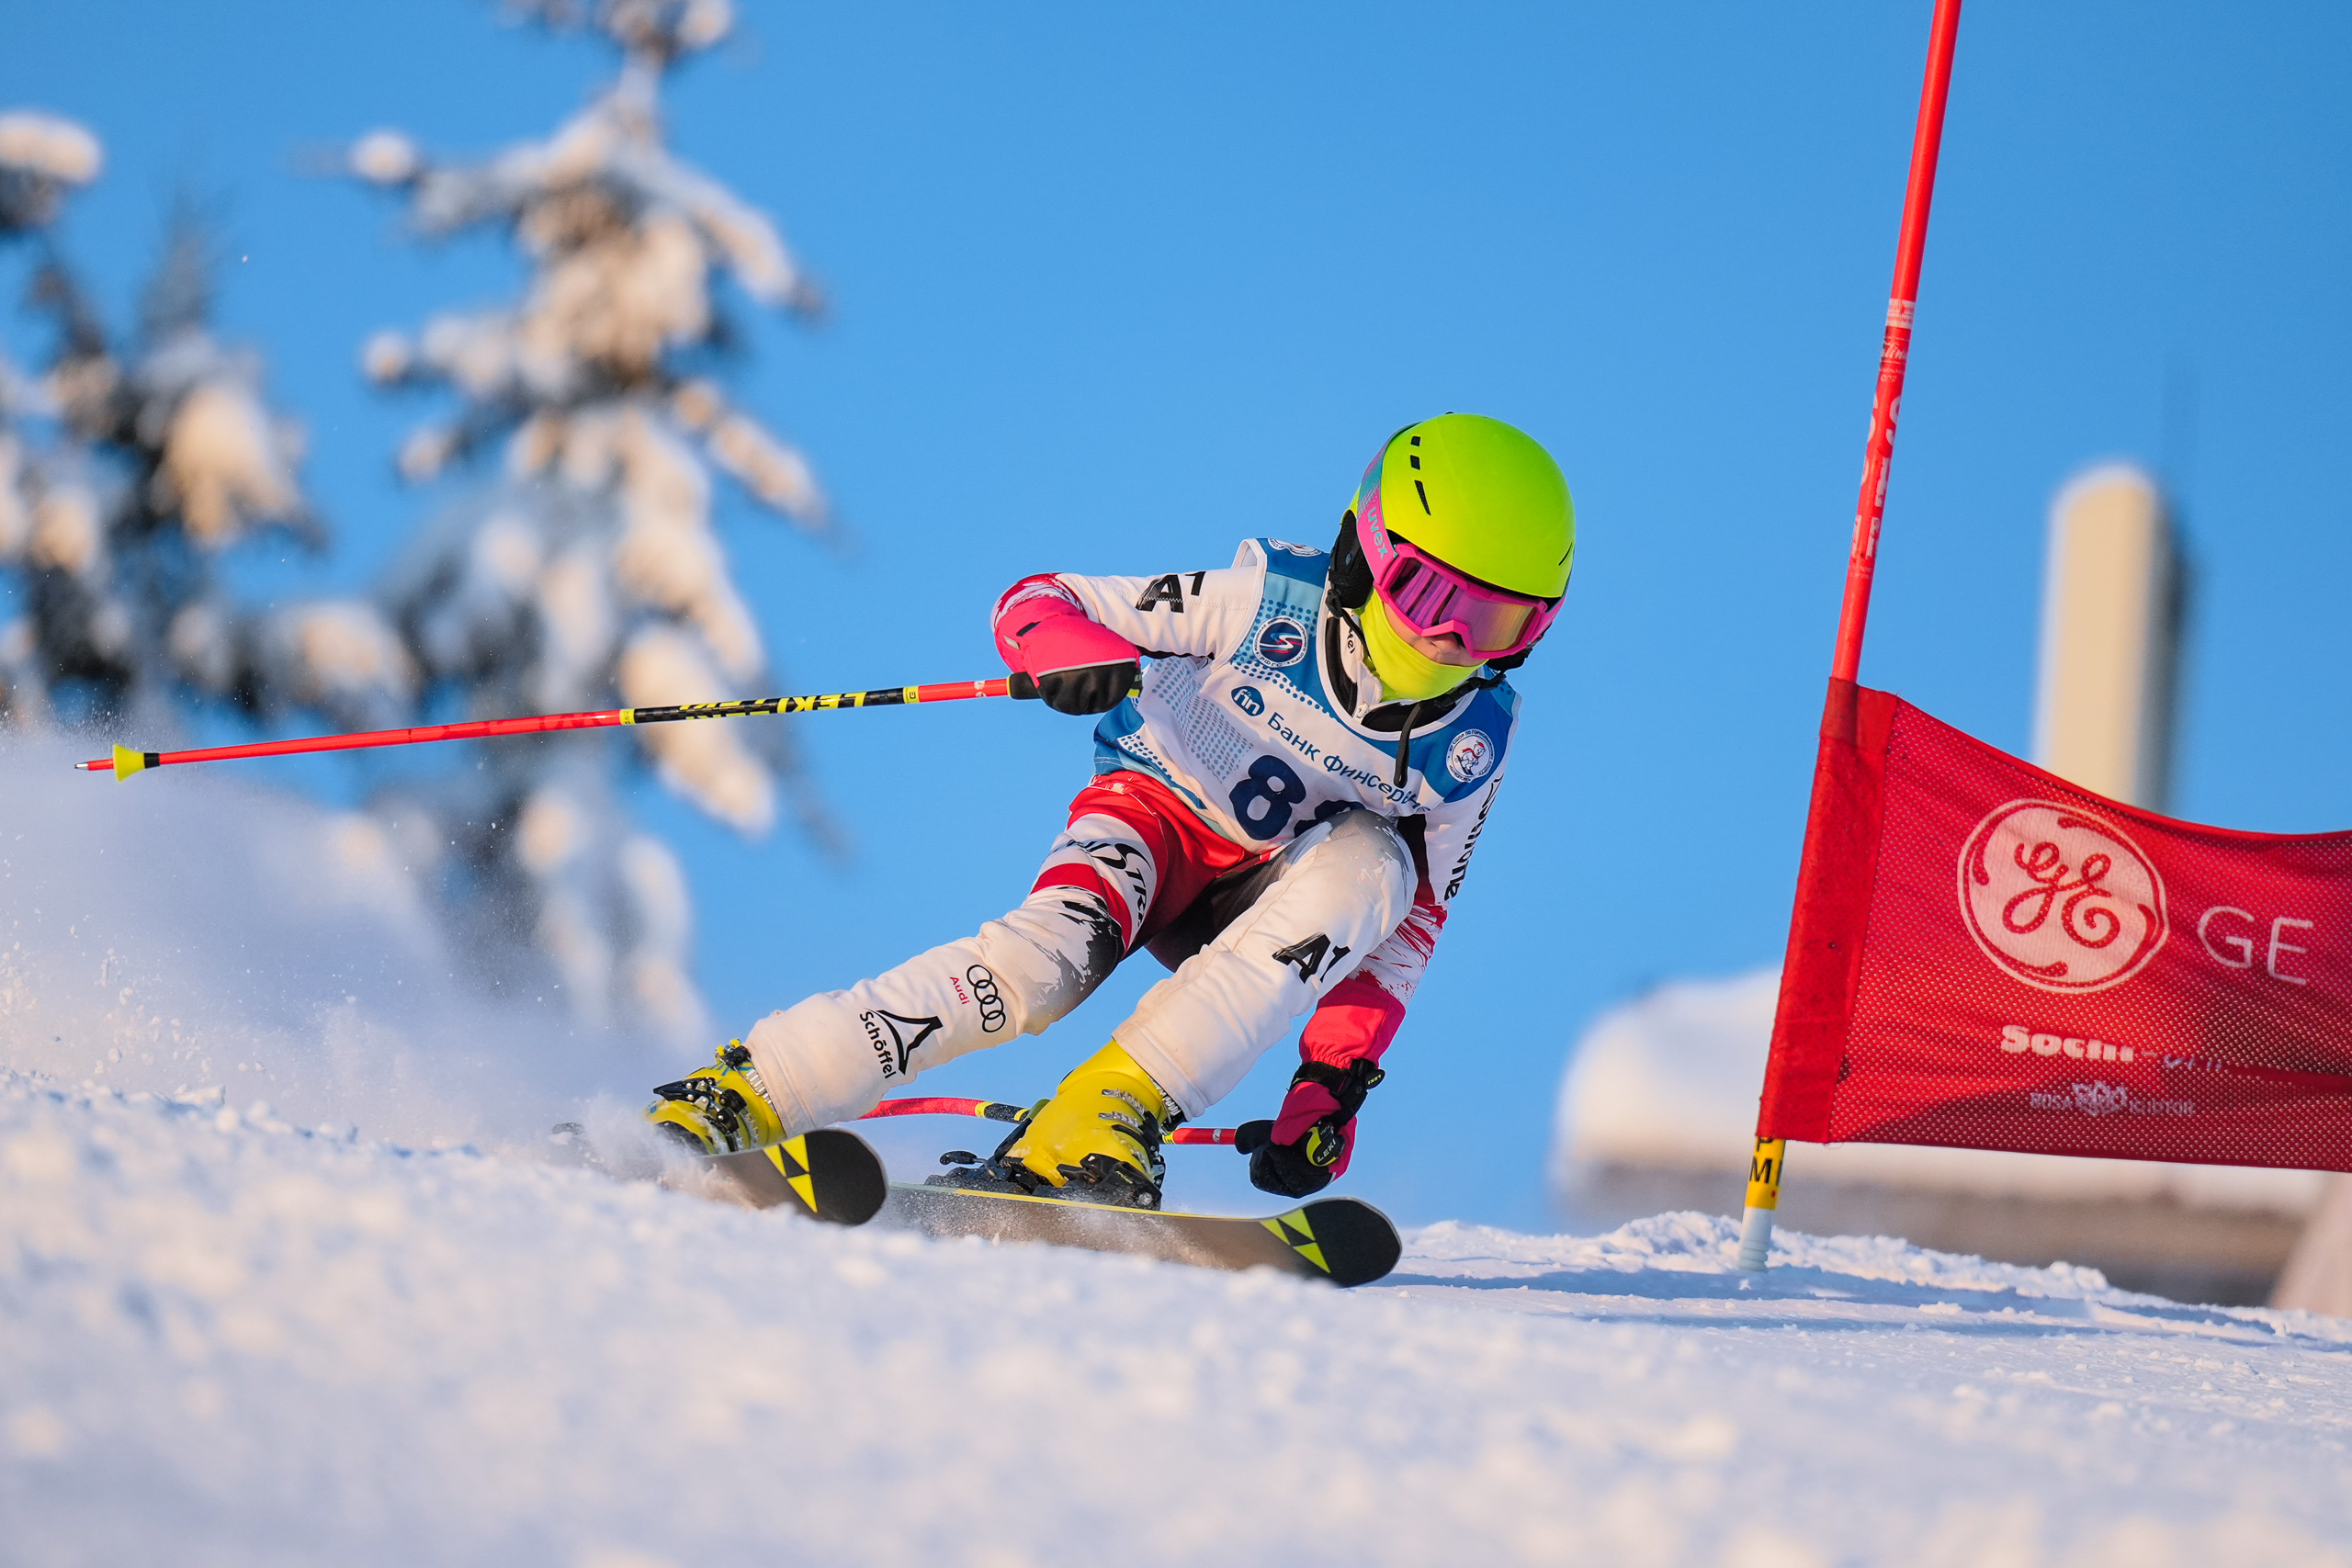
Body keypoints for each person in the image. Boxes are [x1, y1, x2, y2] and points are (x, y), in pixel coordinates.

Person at [647, 412, 1574, 1207]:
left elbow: (1410, 931)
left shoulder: (1472, 744)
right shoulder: (1261, 606)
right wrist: (1067, 648)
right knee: (1034, 969)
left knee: (1381, 866)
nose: (1446, 638)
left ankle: (1104, 1117)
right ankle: (748, 1090)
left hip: (1270, 903)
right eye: (1424, 594)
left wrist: (1331, 1083)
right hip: (1151, 821)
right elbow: (1042, 599)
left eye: (1496, 625)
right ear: (1363, 549)